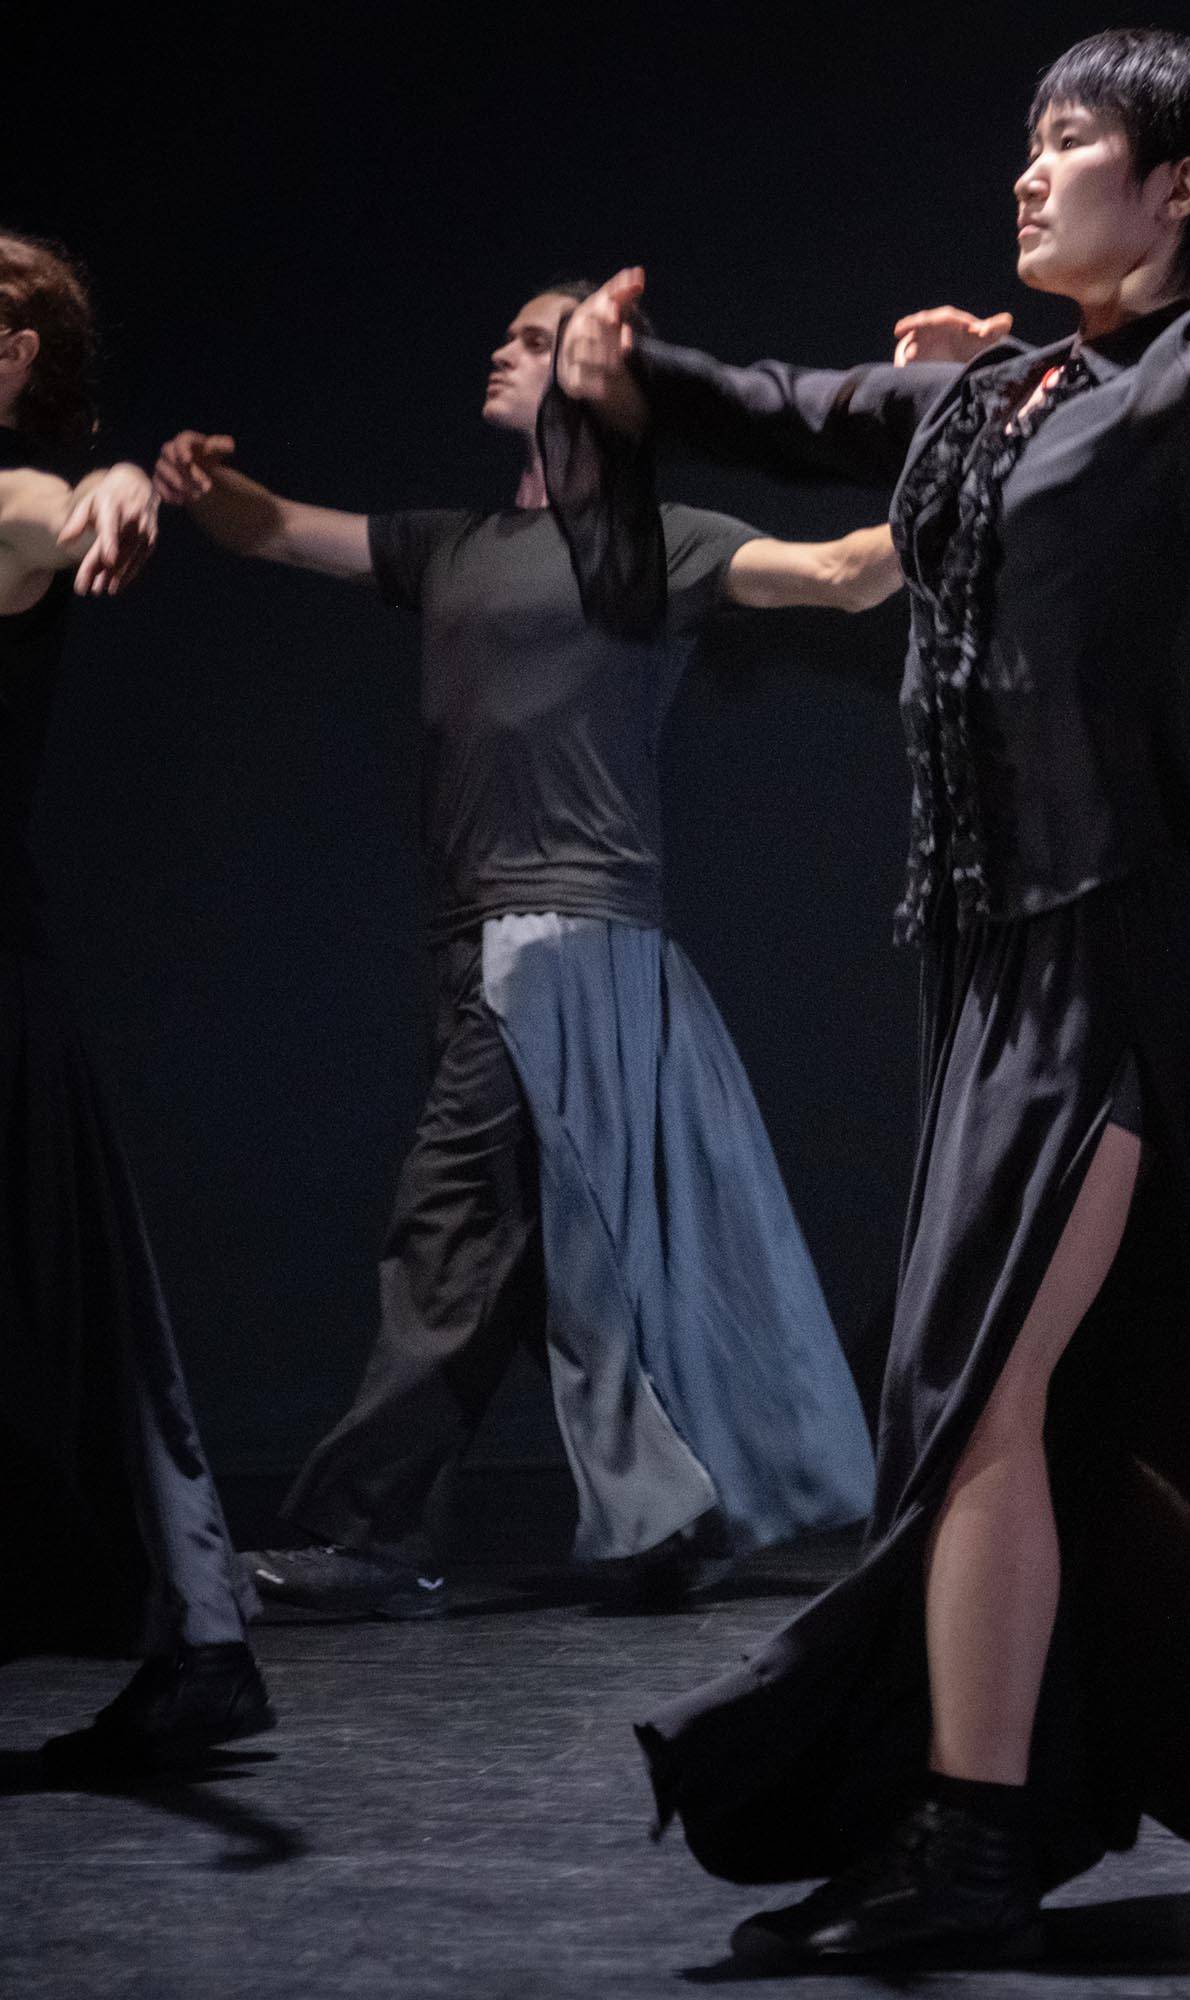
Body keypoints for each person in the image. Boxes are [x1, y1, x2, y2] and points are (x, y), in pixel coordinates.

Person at [545, 30, 1190, 1966]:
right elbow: (794, 406)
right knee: (1054, 1406)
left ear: (1175, 189)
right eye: (1028, 139)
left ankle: (976, 1838)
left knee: (985, 1382)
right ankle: (1189, 1776)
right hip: (987, 968)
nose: (1027, 171)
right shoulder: (984, 392)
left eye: (1071, 140)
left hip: (1115, 954)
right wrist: (628, 371)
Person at [151, 279, 890, 1617]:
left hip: (565, 944)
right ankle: (671, 1519)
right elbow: (272, 529)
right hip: (467, 938)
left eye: (536, 338)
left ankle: (372, 1533)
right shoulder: (453, 545)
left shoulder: (659, 543)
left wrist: (981, 471)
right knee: (553, 1252)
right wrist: (203, 483)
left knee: (452, 1226)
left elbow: (842, 576)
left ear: (601, 377)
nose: (502, 348)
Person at [0, 228, 272, 1772]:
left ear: (14, 355)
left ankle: (197, 1638)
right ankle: (198, 1638)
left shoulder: (10, 501)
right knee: (73, 1320)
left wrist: (114, 496)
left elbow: (61, 509)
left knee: (80, 1322)